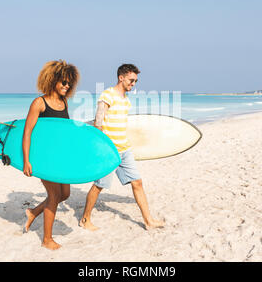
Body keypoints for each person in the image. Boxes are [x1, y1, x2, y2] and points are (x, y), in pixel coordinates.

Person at [79, 64, 165, 231]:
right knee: (99, 185)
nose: (133, 84)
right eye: (131, 80)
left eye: (136, 81)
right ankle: (85, 219)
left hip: (124, 149)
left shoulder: (125, 100)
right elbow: (98, 123)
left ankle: (148, 221)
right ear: (121, 77)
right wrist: (100, 148)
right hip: (109, 150)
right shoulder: (107, 95)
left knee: (137, 182)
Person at [22, 60, 80, 250]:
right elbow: (27, 133)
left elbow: (63, 131)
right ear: (53, 80)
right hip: (44, 157)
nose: (67, 86)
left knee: (65, 194)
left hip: (61, 157)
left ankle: (33, 213)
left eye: (69, 82)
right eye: (63, 82)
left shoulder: (63, 103)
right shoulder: (39, 103)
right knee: (54, 195)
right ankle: (47, 239)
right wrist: (26, 161)